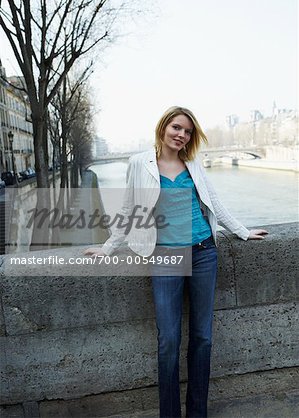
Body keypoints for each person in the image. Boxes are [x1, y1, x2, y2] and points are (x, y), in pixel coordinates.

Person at [84, 106, 268, 418]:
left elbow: (214, 202)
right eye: (176, 127)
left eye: (187, 131)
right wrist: (109, 246)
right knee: (168, 340)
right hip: (165, 256)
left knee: (202, 338)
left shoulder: (193, 163)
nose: (181, 134)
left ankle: (197, 412)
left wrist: (241, 231)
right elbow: (129, 208)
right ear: (163, 127)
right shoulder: (139, 163)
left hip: (203, 252)